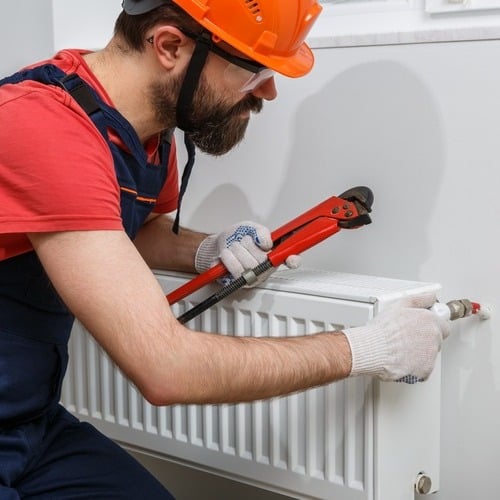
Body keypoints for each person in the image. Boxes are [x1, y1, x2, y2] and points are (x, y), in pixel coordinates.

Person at [0, 0, 450, 498]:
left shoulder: (148, 133)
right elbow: (165, 369)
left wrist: (206, 248)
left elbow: (128, 227)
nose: (271, 91)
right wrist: (368, 349)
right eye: (255, 69)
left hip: (31, 421)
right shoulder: (43, 126)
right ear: (171, 46)